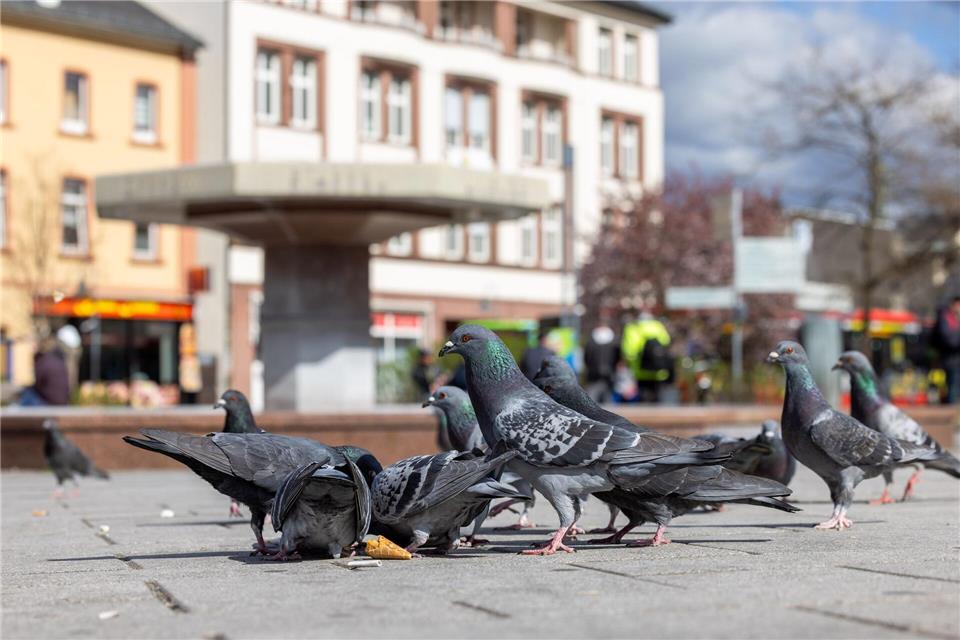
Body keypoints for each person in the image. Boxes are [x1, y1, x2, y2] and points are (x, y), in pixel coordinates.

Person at [620, 311, 673, 403]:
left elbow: (629, 352)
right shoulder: (659, 327)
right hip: (658, 371)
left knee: (643, 399)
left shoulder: (633, 328)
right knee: (657, 397)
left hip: (640, 371)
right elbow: (666, 344)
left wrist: (631, 363)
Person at [19, 336, 71, 406]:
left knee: (28, 393)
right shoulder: (59, 361)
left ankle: (17, 410)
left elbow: (36, 383)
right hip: (63, 401)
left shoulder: (42, 362)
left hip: (49, 402)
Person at [584, 312, 619, 403]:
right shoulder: (614, 339)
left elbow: (587, 357)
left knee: (592, 399)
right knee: (608, 398)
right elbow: (617, 356)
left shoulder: (591, 339)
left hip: (593, 373)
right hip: (609, 372)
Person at [934, 295, 960, 404]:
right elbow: (948, 339)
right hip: (950, 359)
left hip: (955, 358)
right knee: (952, 387)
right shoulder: (946, 317)